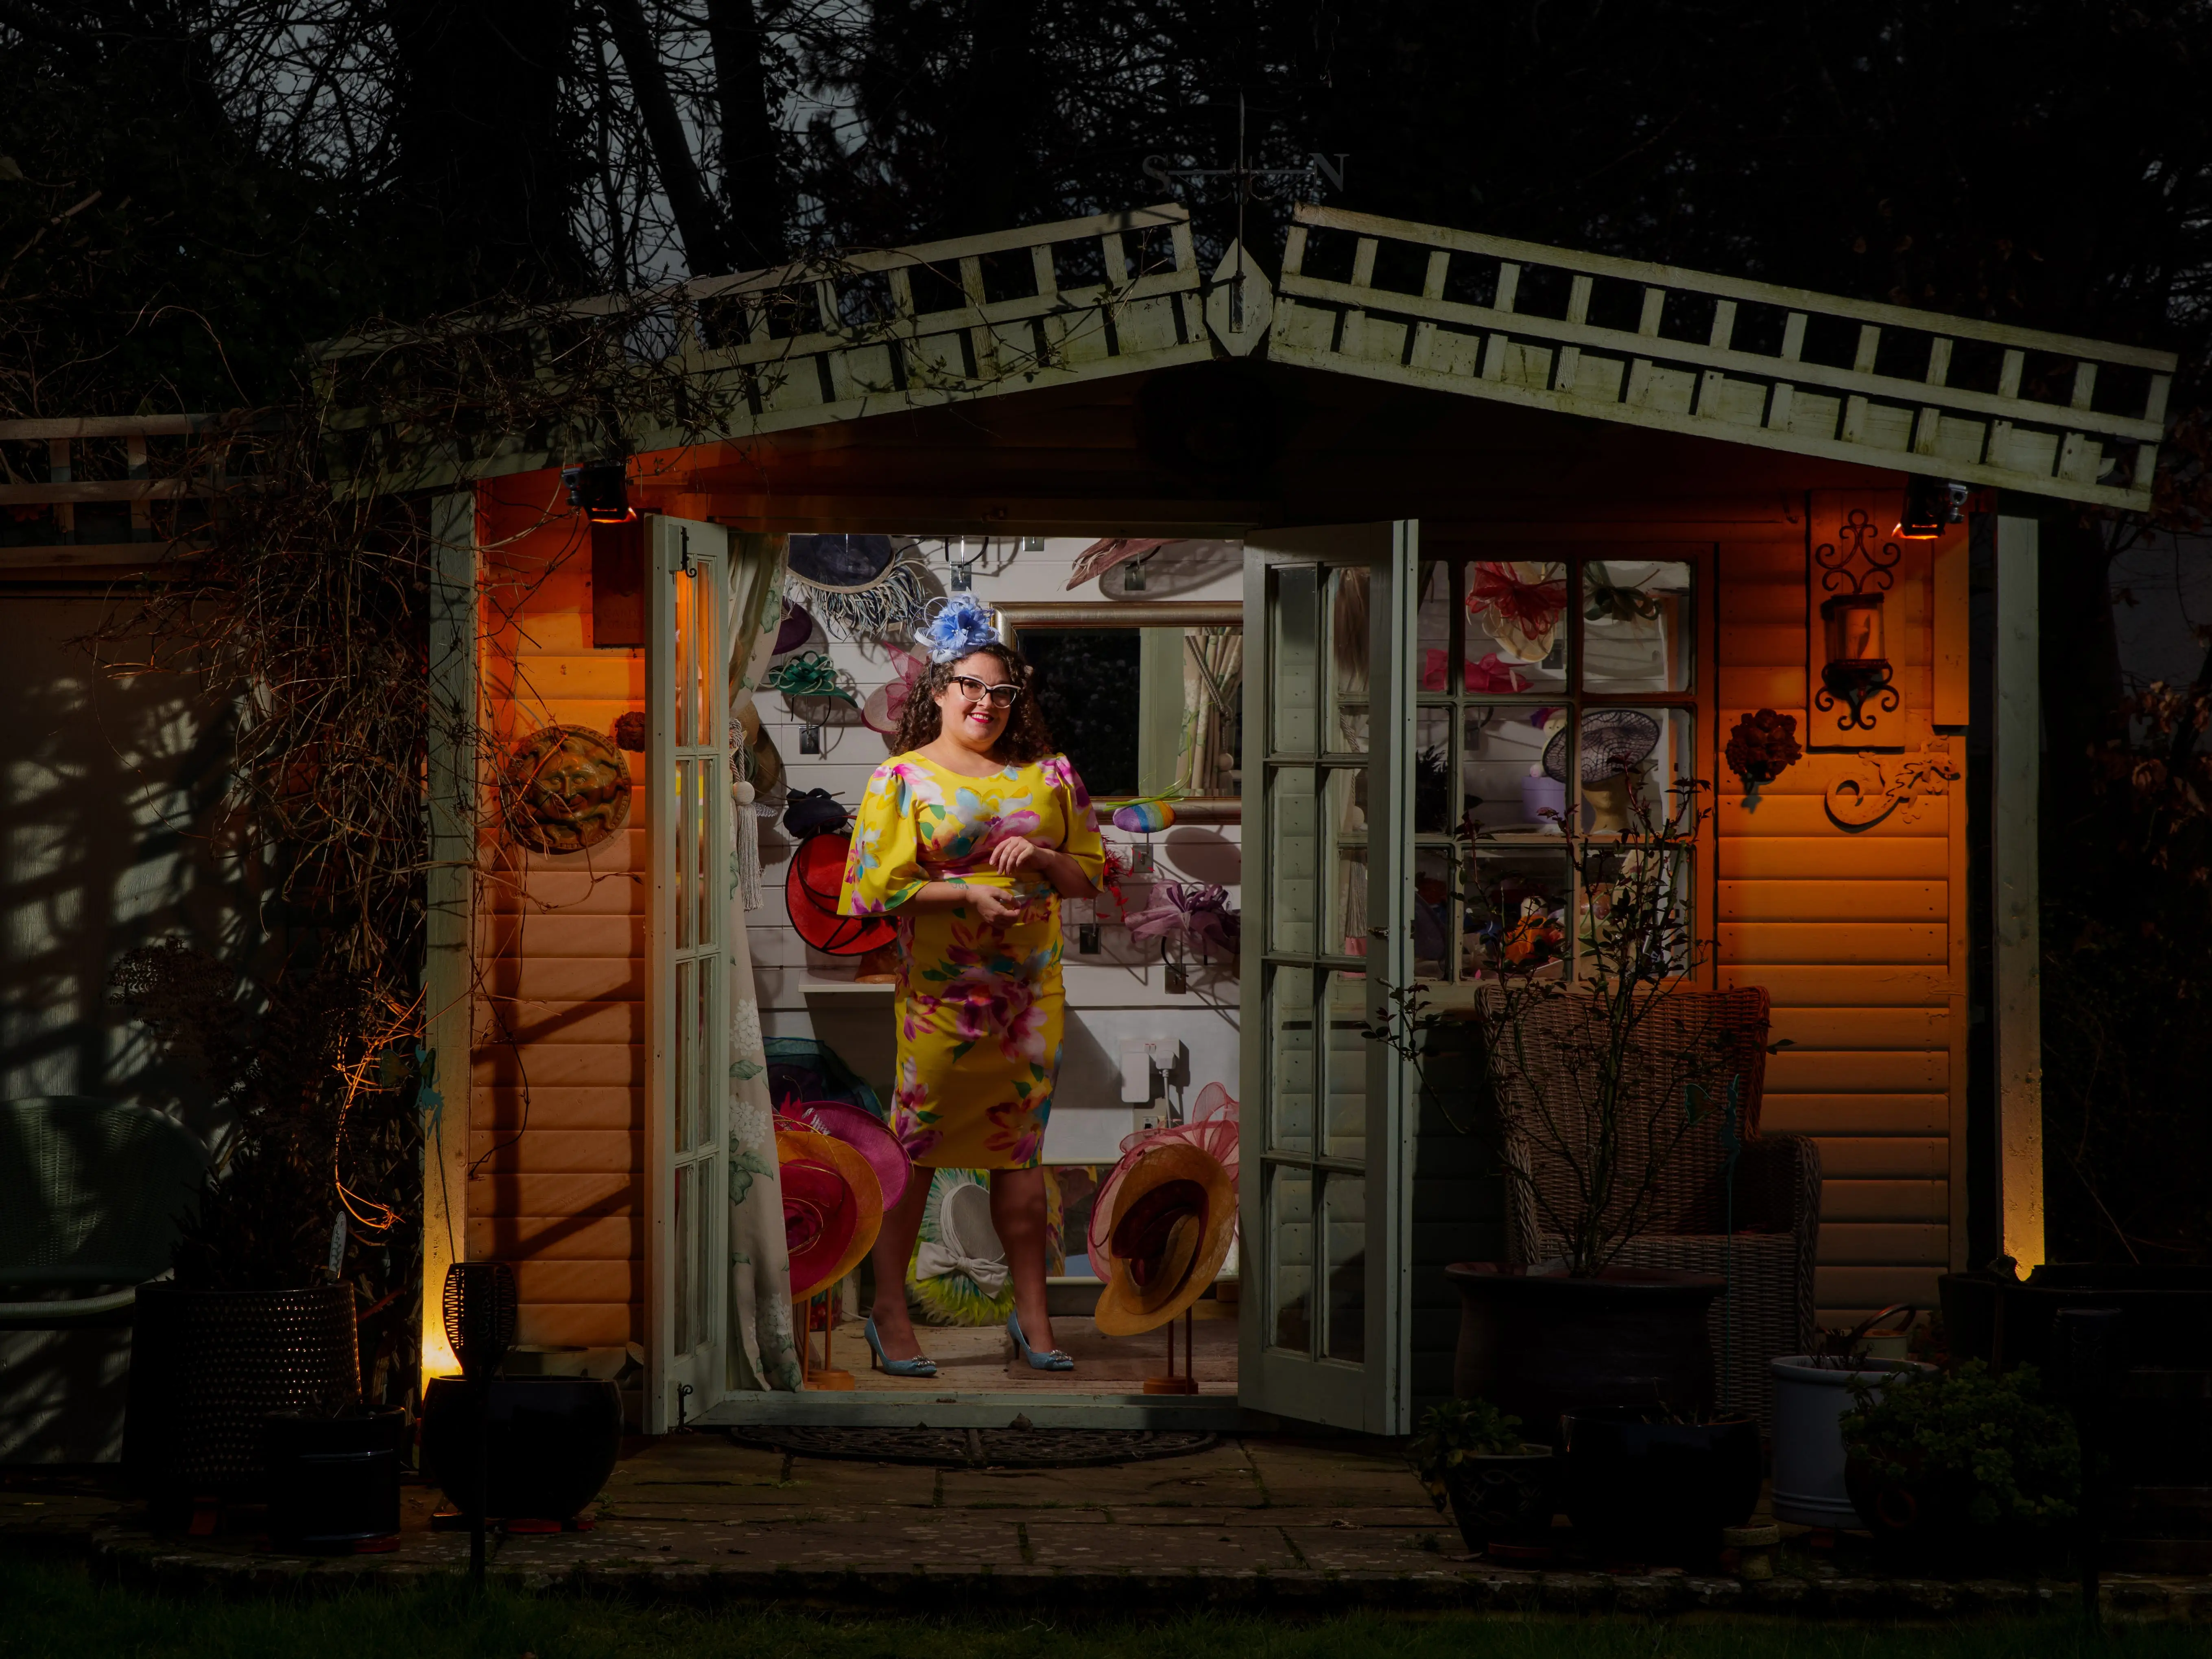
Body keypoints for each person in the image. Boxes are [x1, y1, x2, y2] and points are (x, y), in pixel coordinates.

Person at [838, 594, 1104, 1375]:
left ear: (1016, 700)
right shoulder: (901, 778)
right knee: (915, 1151)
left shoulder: (1049, 775)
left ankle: (1032, 1318)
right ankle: (890, 1313)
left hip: (1028, 1001)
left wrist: (1046, 860)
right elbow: (870, 889)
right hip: (940, 1000)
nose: (985, 704)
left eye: (1001, 692)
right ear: (940, 690)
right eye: (970, 688)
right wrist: (965, 892)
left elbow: (1088, 875)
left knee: (1020, 1158)